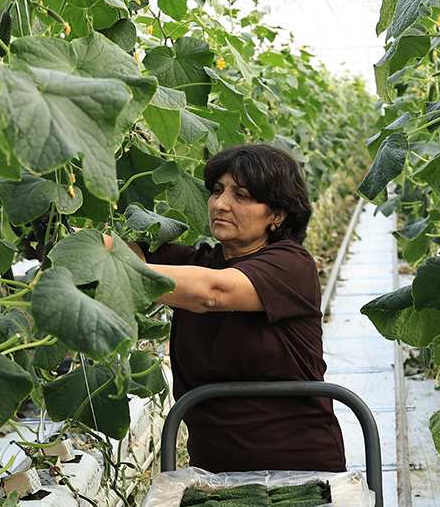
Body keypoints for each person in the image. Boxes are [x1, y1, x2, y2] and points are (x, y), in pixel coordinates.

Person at [110, 143, 346, 474]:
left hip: (297, 470)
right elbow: (111, 253)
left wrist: (117, 269)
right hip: (212, 474)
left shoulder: (291, 265)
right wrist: (60, 231)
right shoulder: (195, 262)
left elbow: (212, 293)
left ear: (277, 215)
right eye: (217, 190)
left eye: (241, 195)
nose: (220, 204)